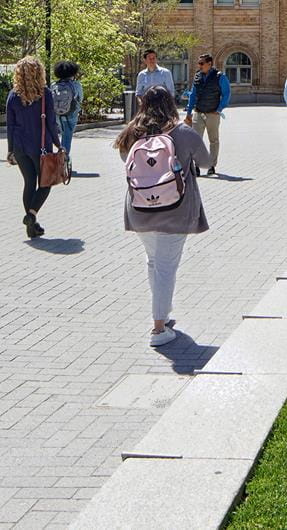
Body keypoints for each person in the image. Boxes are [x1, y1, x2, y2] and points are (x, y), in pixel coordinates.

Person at [113, 86, 210, 347]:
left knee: (154, 262)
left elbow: (125, 159)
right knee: (166, 267)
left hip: (140, 209)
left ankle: (163, 315)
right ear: (171, 103)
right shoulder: (183, 132)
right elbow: (205, 161)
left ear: (142, 104)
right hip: (174, 210)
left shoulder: (131, 133)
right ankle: (158, 329)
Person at [5, 56, 62, 239]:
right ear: (39, 73)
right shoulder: (45, 93)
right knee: (46, 183)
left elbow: (11, 125)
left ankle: (32, 226)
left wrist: (10, 149)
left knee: (29, 183)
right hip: (41, 147)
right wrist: (58, 144)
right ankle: (31, 215)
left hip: (20, 146)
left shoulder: (13, 95)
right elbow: (51, 122)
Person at [183, 53, 229, 176]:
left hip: (213, 113)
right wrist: (188, 112)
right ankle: (196, 166)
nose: (199, 65)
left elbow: (226, 94)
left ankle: (211, 165)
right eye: (199, 63)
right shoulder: (197, 76)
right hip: (198, 112)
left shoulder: (220, 77)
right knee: (196, 140)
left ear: (209, 64)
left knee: (213, 140)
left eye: (201, 63)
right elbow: (193, 95)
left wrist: (219, 109)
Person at [50, 60, 84, 174]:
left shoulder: (54, 85)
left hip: (57, 115)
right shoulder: (76, 85)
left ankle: (61, 160)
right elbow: (80, 99)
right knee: (67, 138)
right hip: (71, 114)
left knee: (63, 136)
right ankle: (63, 161)